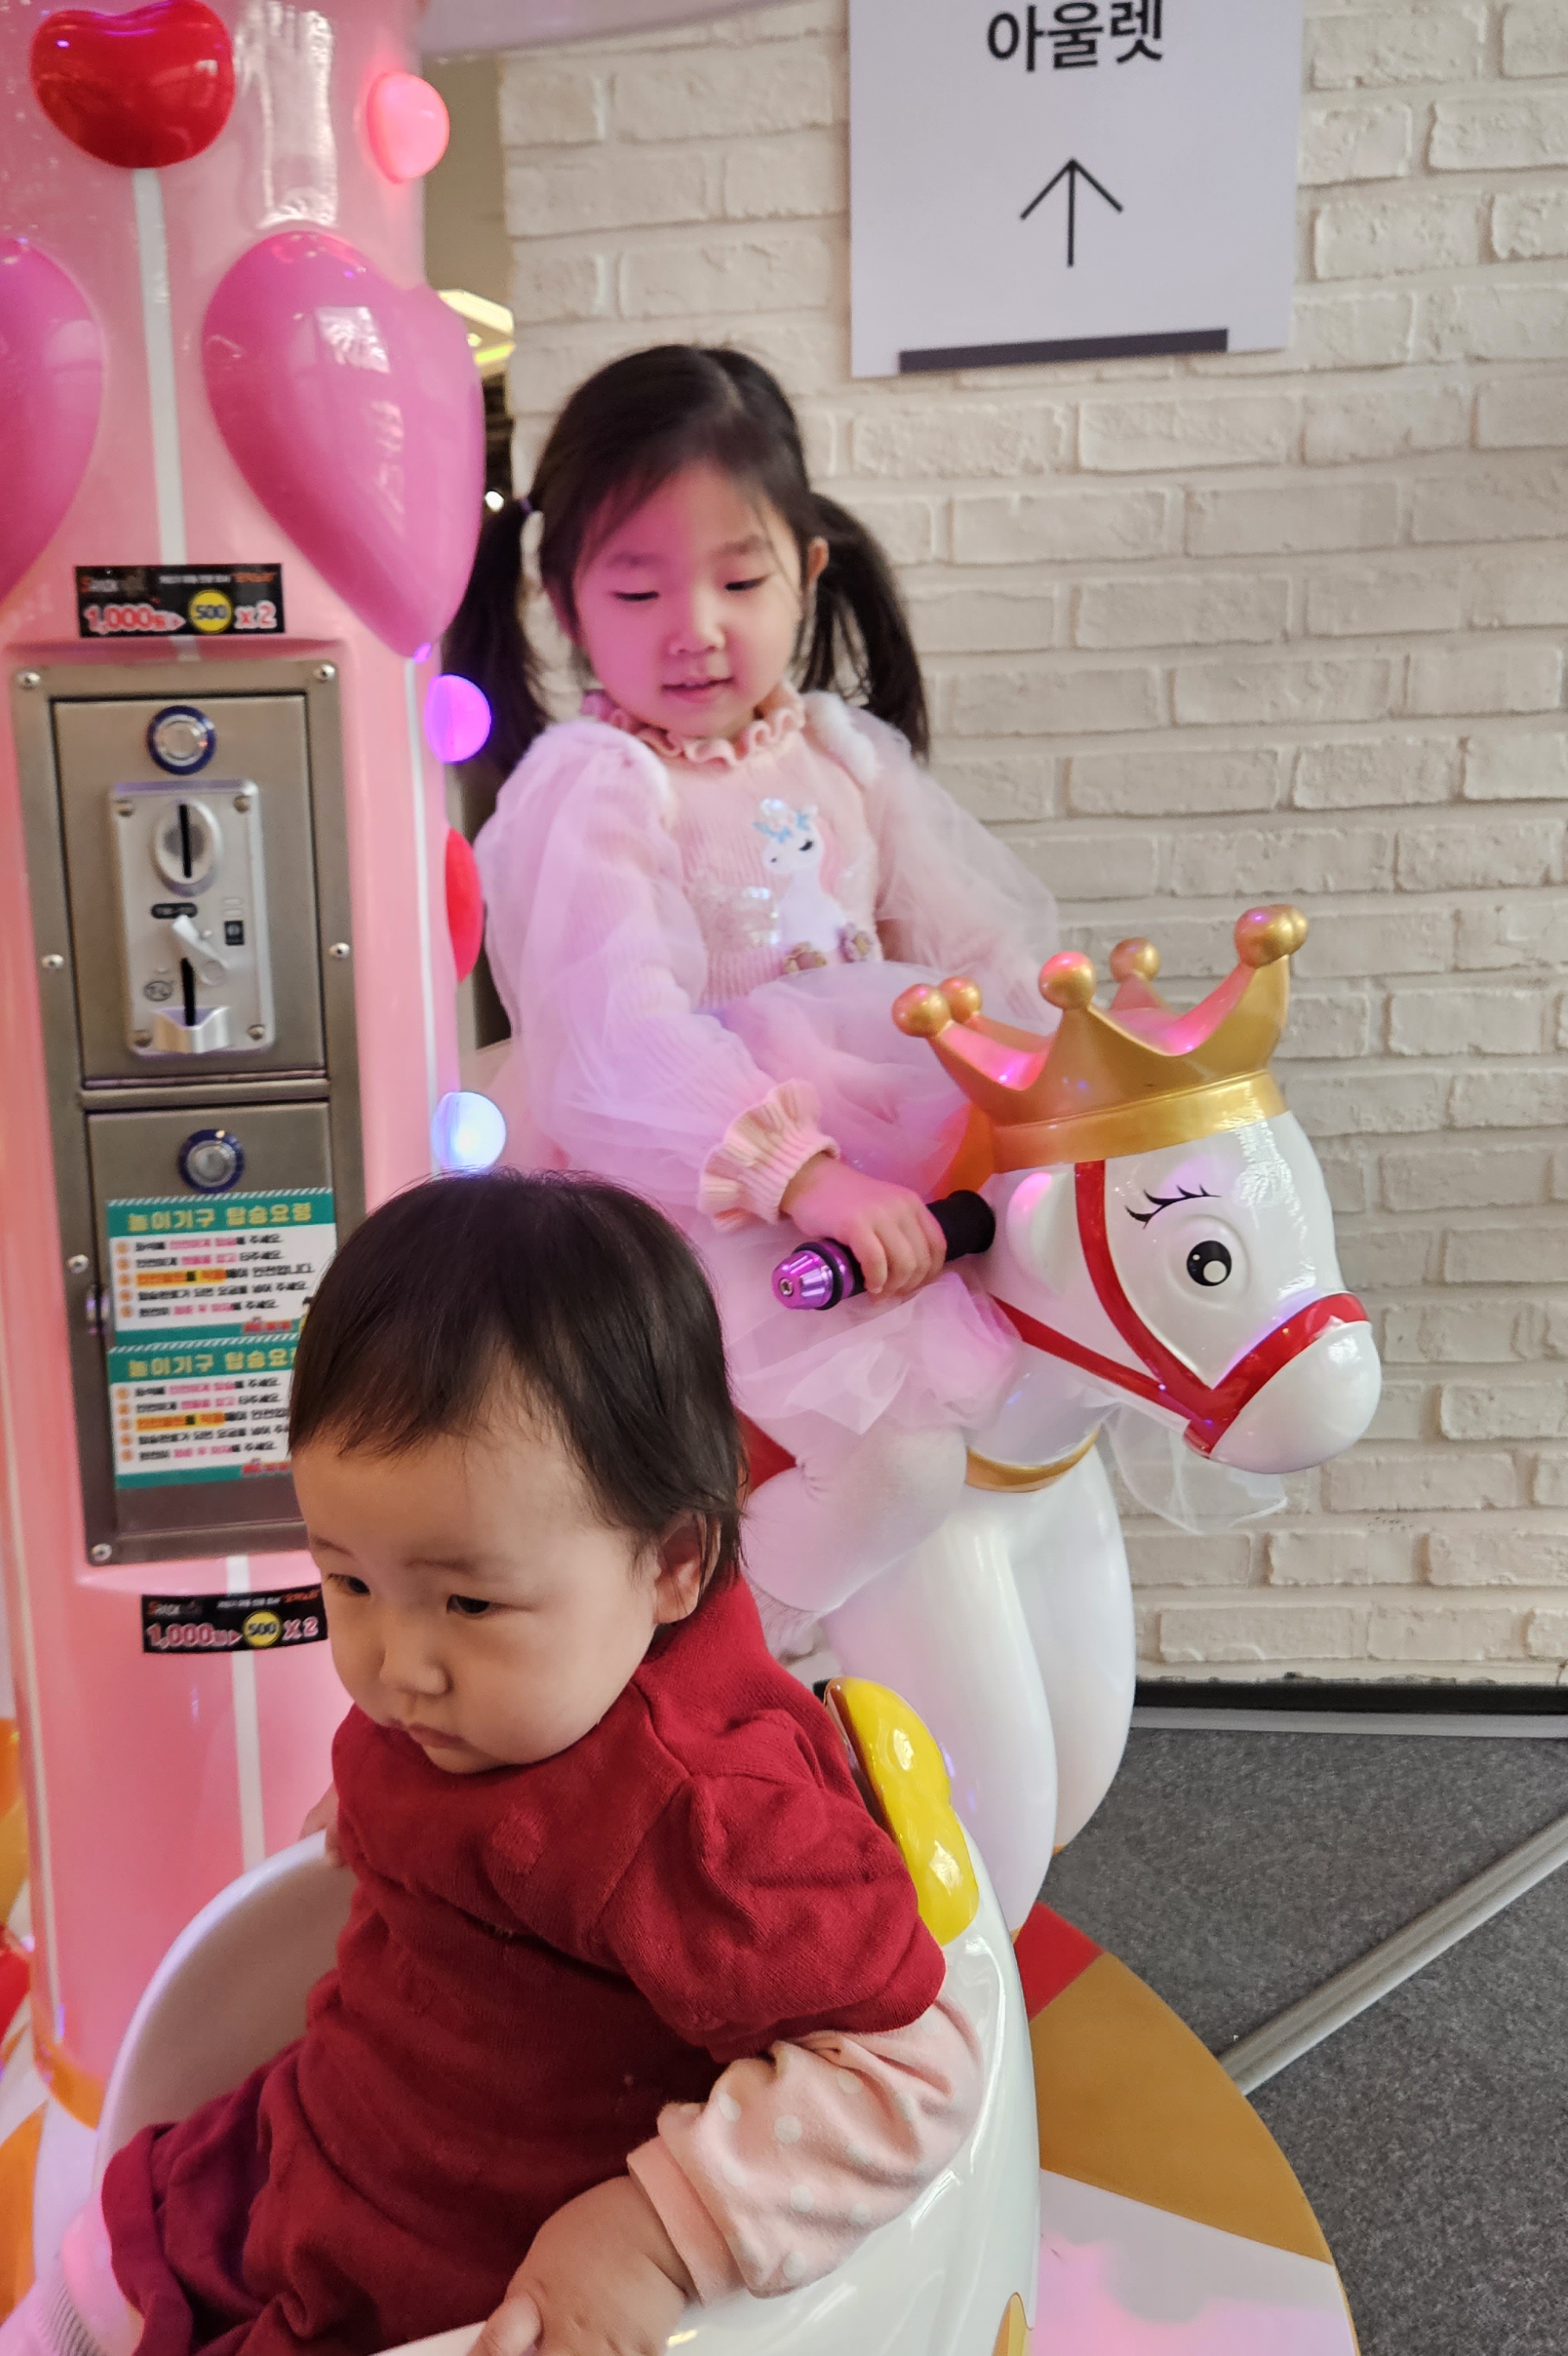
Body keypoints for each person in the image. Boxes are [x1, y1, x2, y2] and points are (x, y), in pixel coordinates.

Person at [2, 1173, 978, 2356]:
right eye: (347, 1580)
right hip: (308, 2149)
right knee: (80, 2289)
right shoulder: (496, 1700)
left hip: (462, 2283)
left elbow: (913, 2072)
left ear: (673, 1563)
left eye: (467, 1601)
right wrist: (370, 1814)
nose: (396, 1666)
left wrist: (652, 2237)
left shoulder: (702, 1820)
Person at [449, 346, 1058, 1661]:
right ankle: (718, 1671)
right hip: (690, 1202)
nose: (696, 626)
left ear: (808, 571)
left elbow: (982, 953)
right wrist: (803, 1175)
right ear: (563, 599)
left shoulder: (846, 753)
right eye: (637, 587)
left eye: (739, 580)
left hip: (893, 1178)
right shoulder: (595, 786)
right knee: (895, 1460)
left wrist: (1061, 1072)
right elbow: (616, 1046)